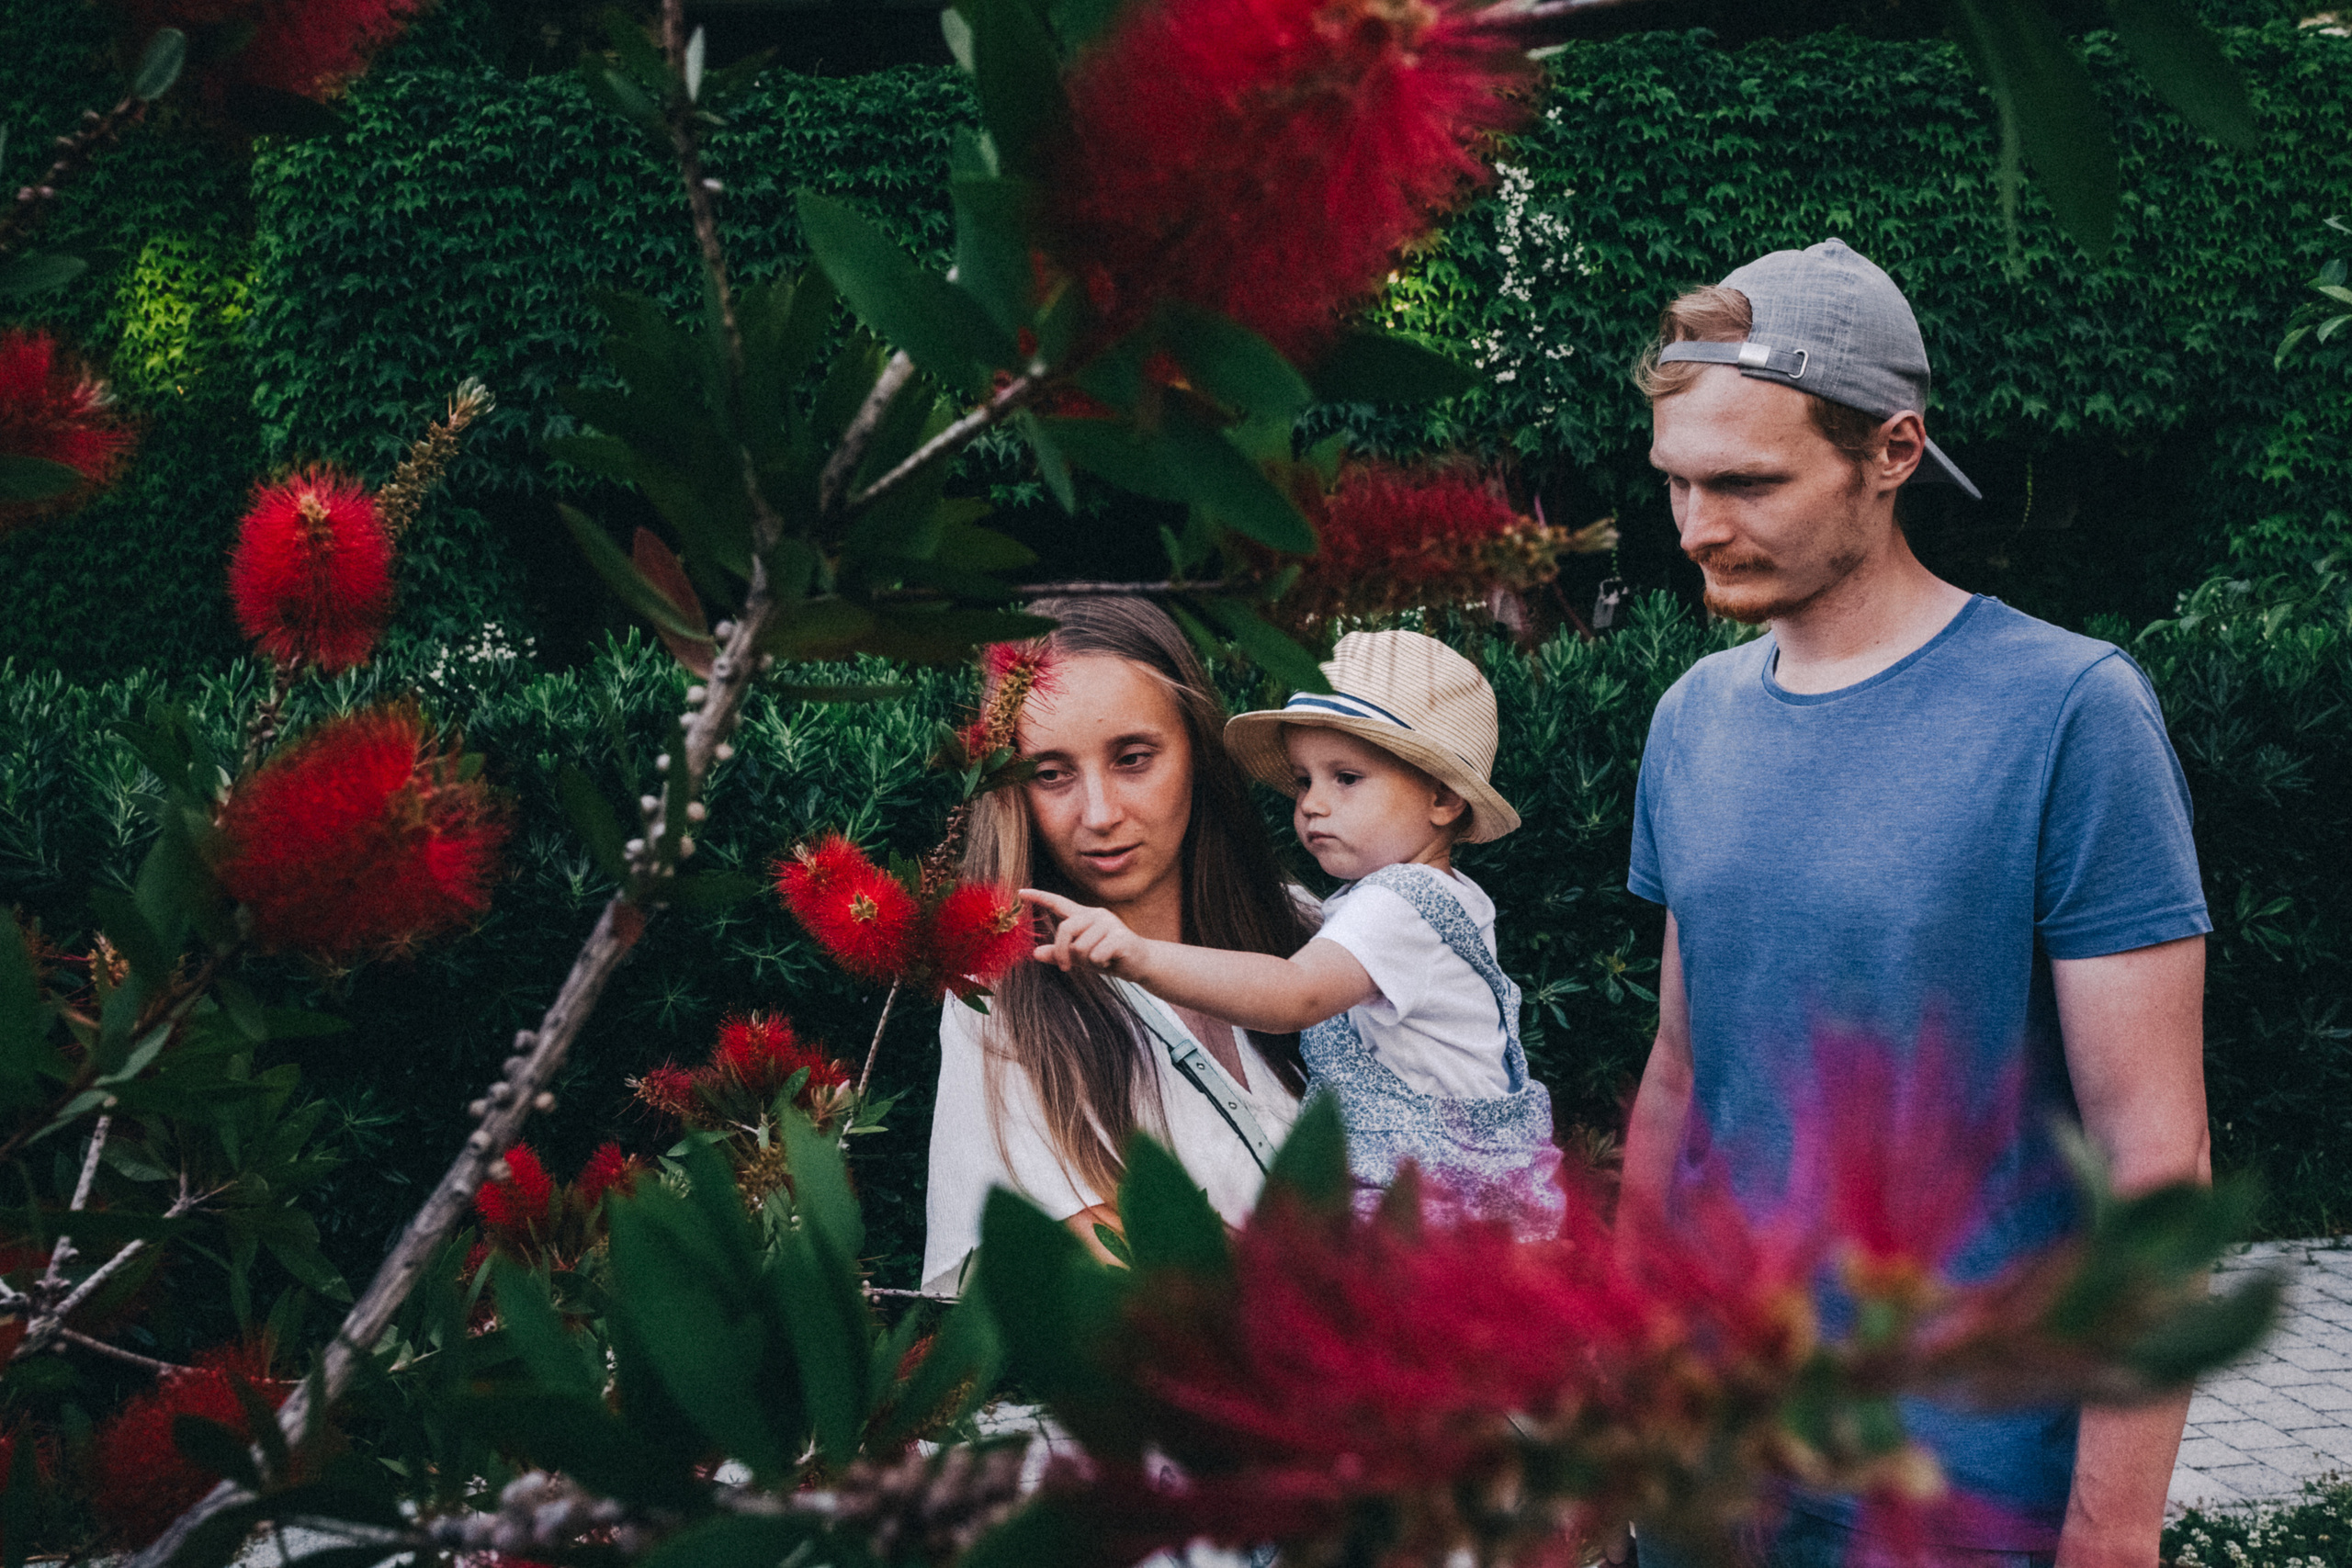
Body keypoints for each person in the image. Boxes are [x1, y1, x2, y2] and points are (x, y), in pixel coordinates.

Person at [1619, 240, 2211, 1568]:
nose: (1697, 527)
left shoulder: (2069, 711)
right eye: (1676, 482)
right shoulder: (1691, 718)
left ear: (1893, 450)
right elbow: (1679, 1074)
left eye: (1747, 483)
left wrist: (2113, 1527)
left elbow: (2154, 1154)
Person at [1025, 629, 1565, 1235]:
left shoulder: (1398, 906)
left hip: (1435, 1199)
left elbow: (1296, 994)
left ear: (1442, 797)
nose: (1311, 804)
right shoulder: (1444, 899)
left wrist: (1141, 956)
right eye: (1305, 780)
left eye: (1346, 777)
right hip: (1465, 1192)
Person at [920, 597, 1318, 1296]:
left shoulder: (1306, 930)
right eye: (1051, 774)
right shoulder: (1002, 992)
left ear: (1198, 751)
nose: (1100, 814)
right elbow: (1068, 1248)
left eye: (1133, 759)